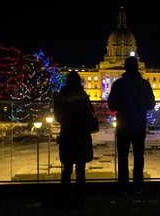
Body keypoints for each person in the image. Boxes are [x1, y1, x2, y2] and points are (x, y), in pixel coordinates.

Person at [107, 56, 156, 195]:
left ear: (125, 68)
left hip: (123, 126)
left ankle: (123, 187)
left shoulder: (118, 84)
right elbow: (151, 105)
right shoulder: (144, 84)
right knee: (139, 157)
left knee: (123, 158)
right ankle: (138, 187)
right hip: (139, 125)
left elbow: (111, 105)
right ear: (137, 67)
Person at [53, 70, 94, 208]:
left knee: (67, 169)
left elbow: (58, 117)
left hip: (67, 133)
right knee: (80, 170)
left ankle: (64, 197)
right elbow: (91, 113)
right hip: (81, 134)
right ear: (78, 82)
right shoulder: (83, 96)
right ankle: (80, 199)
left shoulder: (60, 97)